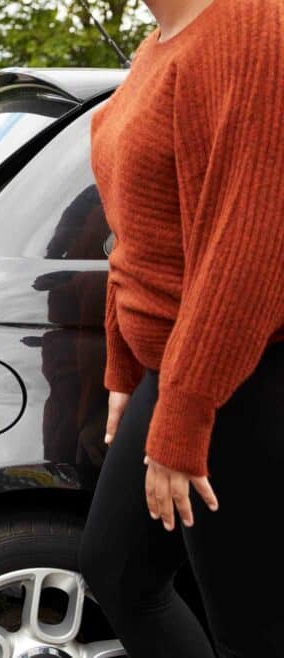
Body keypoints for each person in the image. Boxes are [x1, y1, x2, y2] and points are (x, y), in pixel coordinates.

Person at [78, 0, 284, 656]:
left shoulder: (255, 27)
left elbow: (248, 249)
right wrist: (122, 367)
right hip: (173, 371)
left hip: (241, 382)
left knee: (251, 631)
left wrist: (183, 419)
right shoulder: (157, 44)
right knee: (118, 573)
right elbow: (135, 227)